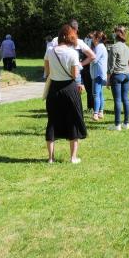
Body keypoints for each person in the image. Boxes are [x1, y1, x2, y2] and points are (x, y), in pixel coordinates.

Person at [44, 24, 87, 164]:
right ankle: (73, 157)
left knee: (52, 122)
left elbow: (47, 72)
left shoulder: (50, 51)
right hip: (69, 89)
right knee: (73, 120)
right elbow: (75, 75)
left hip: (54, 89)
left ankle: (51, 158)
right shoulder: (72, 53)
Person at [51, 19, 95, 86]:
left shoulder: (55, 40)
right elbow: (92, 56)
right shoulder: (78, 42)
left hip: (57, 76)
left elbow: (48, 57)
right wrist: (80, 64)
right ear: (75, 30)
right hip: (73, 75)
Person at [108, 26, 129, 130]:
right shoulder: (127, 47)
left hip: (117, 74)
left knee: (117, 100)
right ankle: (126, 123)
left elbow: (111, 65)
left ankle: (117, 124)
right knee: (125, 99)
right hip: (127, 74)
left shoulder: (113, 47)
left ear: (115, 37)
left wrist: (108, 78)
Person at [89, 31, 108, 121]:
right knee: (100, 93)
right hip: (99, 73)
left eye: (93, 37)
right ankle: (101, 112)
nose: (92, 39)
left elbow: (94, 59)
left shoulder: (99, 47)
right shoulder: (100, 47)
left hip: (98, 73)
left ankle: (96, 114)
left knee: (95, 94)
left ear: (97, 38)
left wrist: (88, 55)